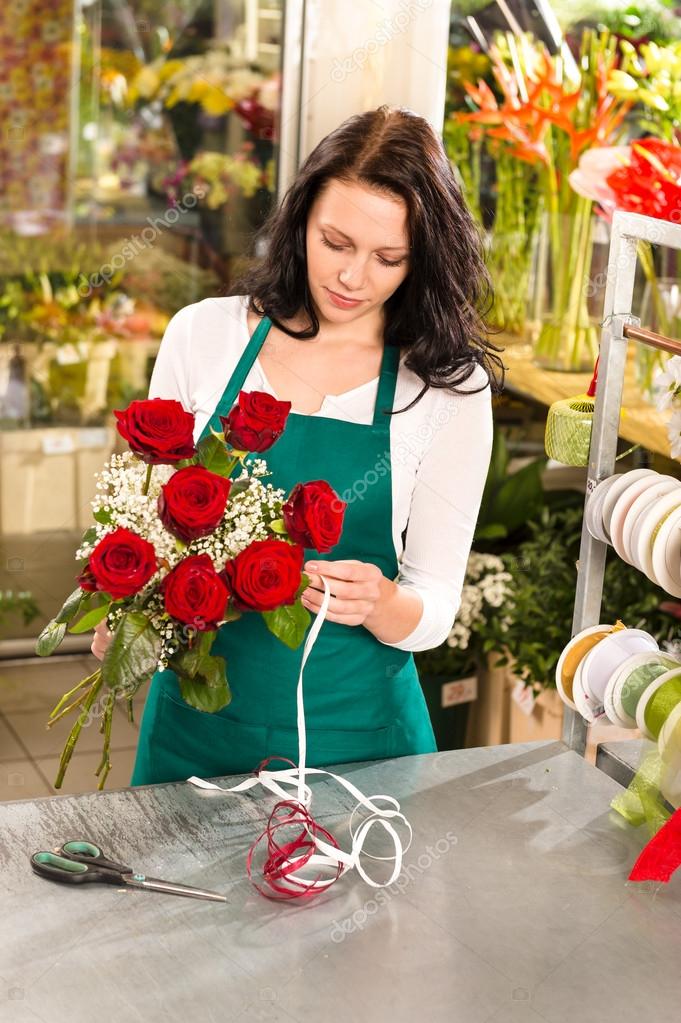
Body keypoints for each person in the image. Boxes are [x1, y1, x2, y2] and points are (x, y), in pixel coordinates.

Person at [92, 104, 502, 785]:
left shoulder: (445, 389)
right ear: (300, 220)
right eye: (335, 243)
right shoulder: (205, 336)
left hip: (362, 744)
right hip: (196, 734)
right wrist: (124, 608)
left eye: (387, 258)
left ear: (421, 258)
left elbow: (433, 602)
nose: (352, 277)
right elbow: (144, 522)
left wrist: (384, 604)